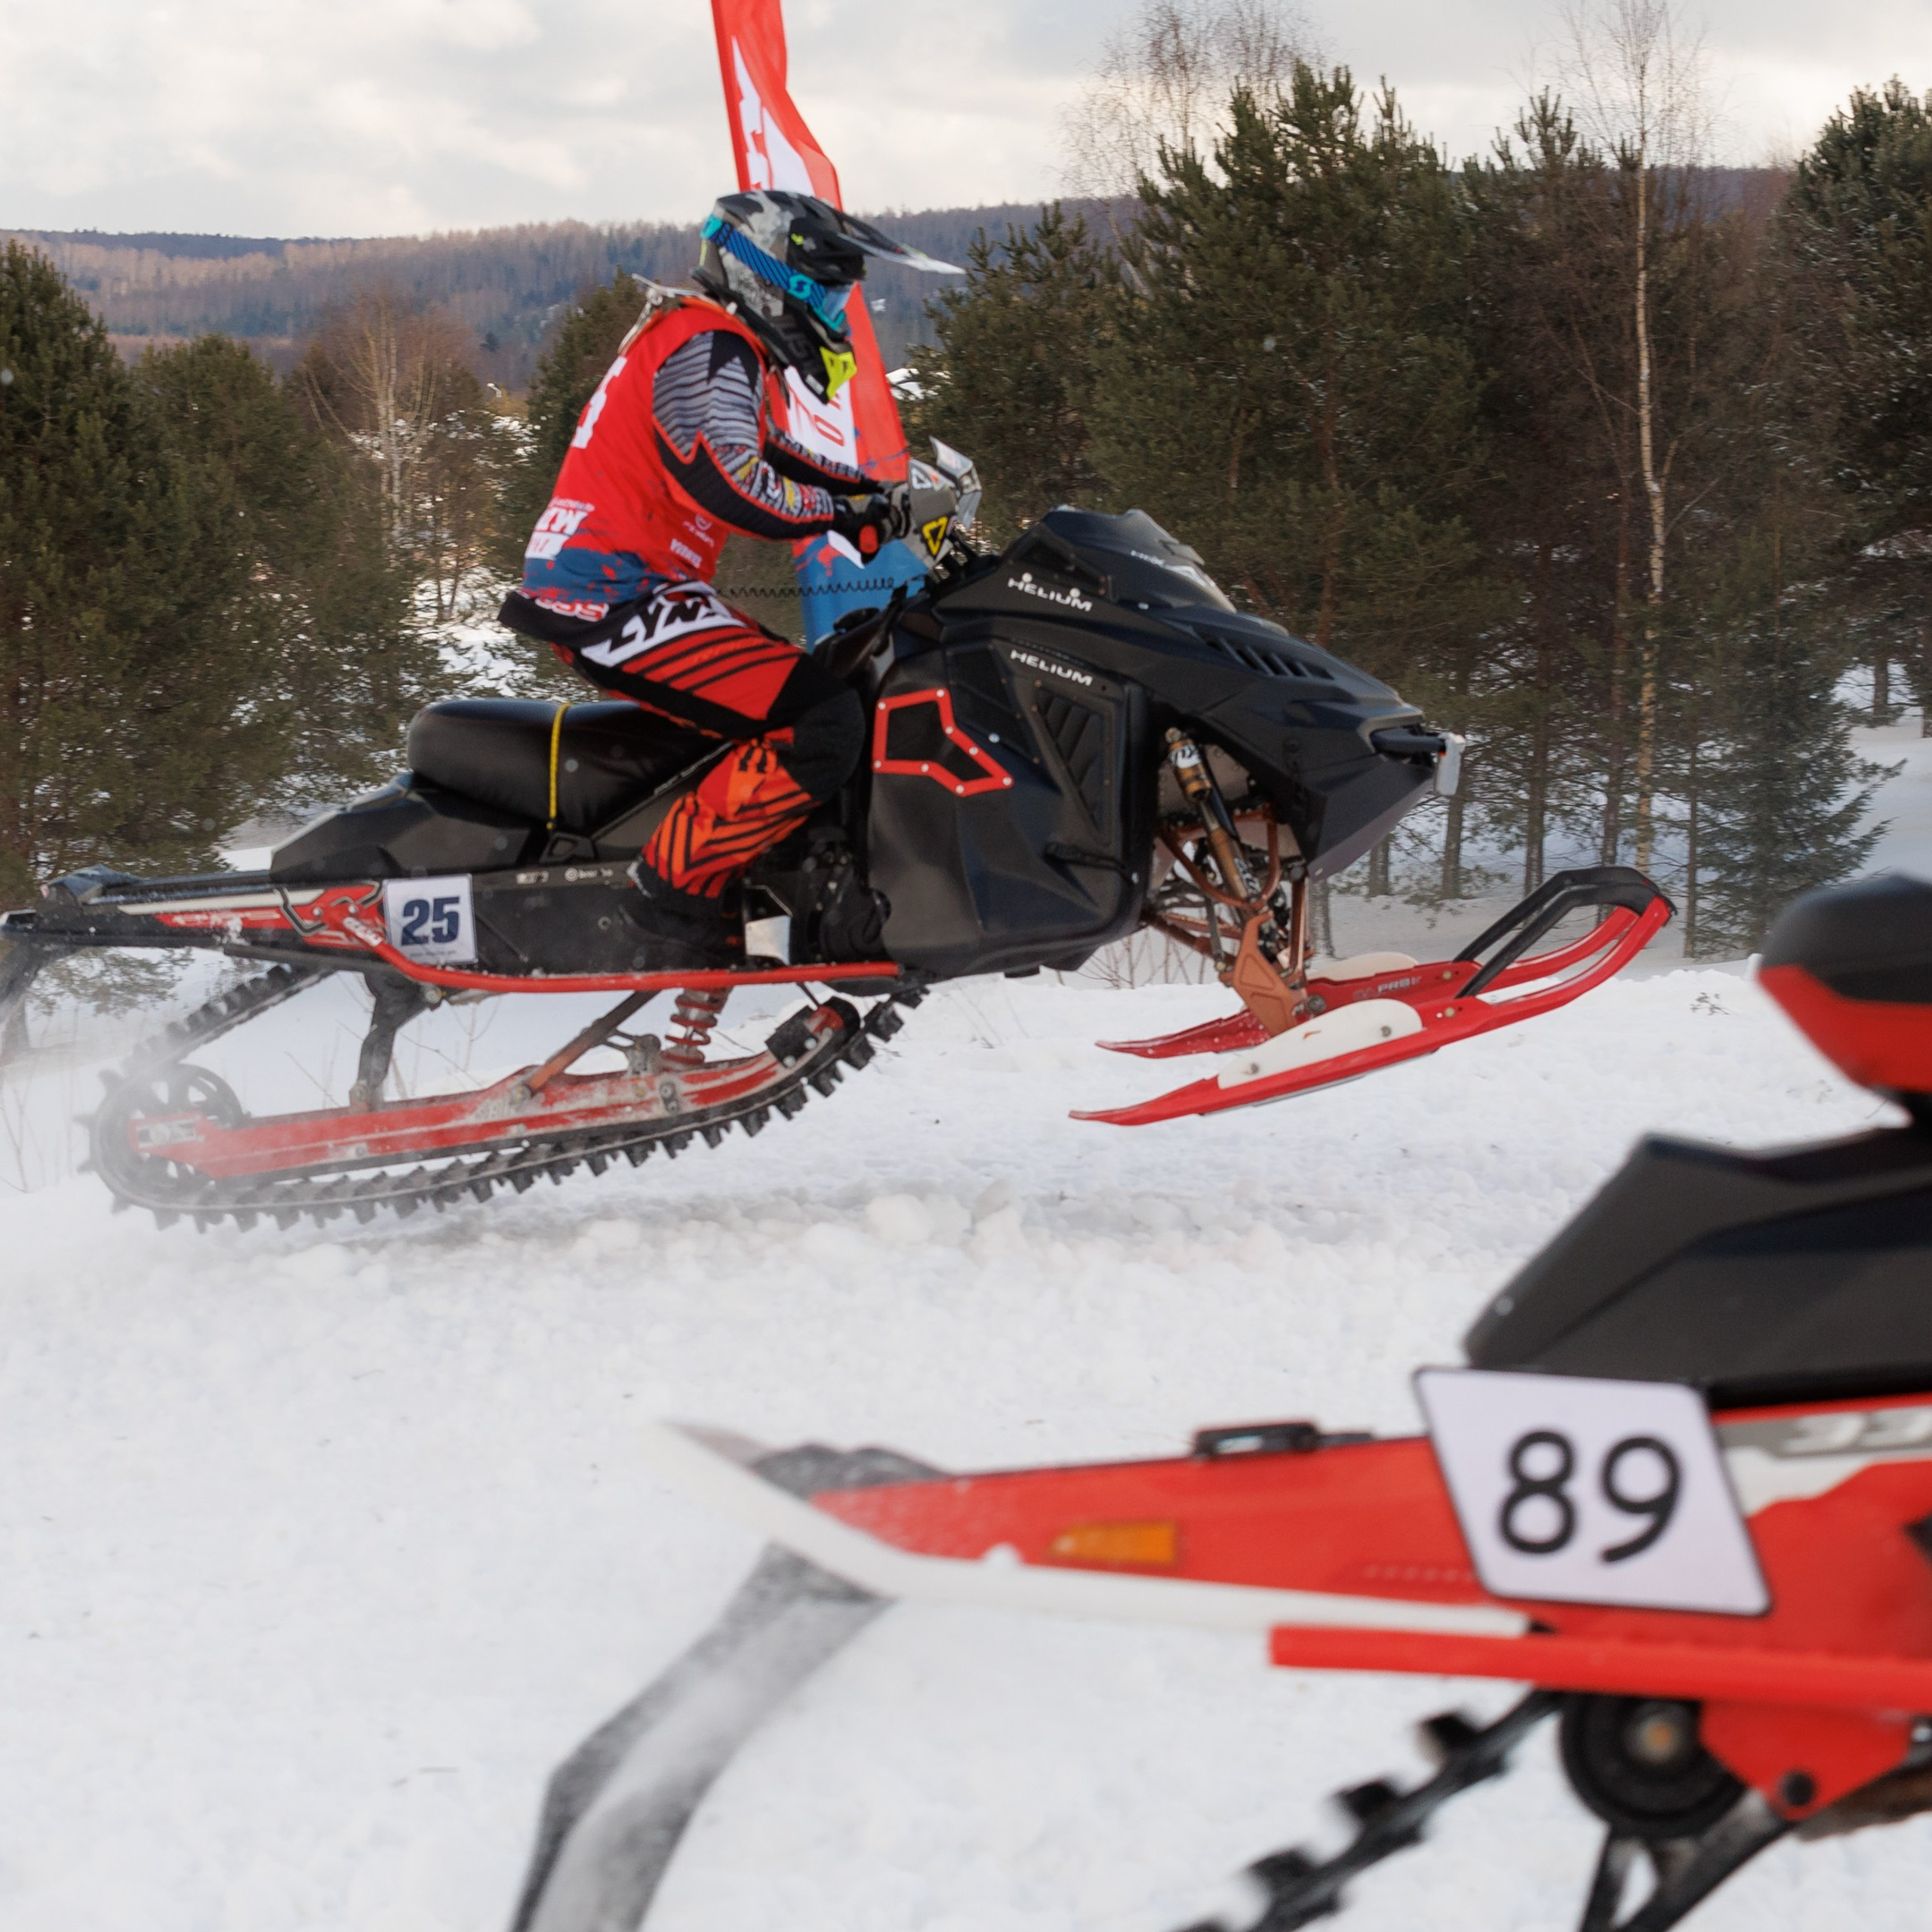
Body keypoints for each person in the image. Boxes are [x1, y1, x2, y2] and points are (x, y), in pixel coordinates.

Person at [499, 189, 951, 968]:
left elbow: (772, 452)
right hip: (613, 596)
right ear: (774, 278)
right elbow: (730, 481)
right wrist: (848, 513)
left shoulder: (708, 341)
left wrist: (877, 492)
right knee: (819, 721)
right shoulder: (710, 344)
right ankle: (662, 897)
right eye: (829, 295)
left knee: (815, 687)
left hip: (628, 589)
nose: (835, 316)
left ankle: (761, 876)